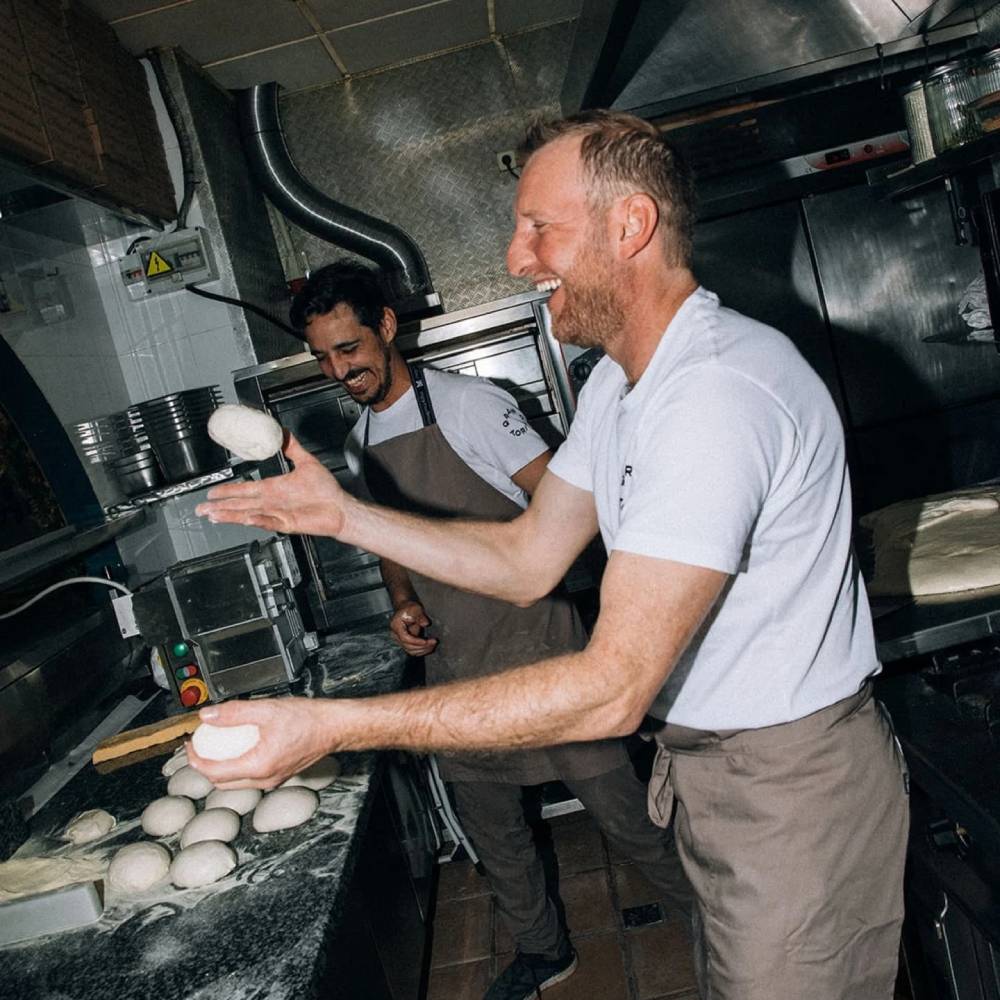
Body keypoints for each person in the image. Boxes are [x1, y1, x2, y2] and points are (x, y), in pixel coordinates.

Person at [192, 110, 909, 1000]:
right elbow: (531, 556)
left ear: (629, 225)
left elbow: (611, 687)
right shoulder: (621, 382)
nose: (517, 258)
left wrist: (335, 727)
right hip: (713, 771)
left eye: (538, 227)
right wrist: (344, 519)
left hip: (789, 786)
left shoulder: (713, 394)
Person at [285, 259, 695, 1000]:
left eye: (348, 348)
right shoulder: (358, 442)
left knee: (625, 815)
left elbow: (567, 509)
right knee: (494, 832)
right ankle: (543, 951)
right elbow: (391, 544)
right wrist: (404, 601)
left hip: (542, 652)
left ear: (385, 326)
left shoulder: (473, 407)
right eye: (323, 358)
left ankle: (708, 921)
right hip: (458, 664)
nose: (339, 369)